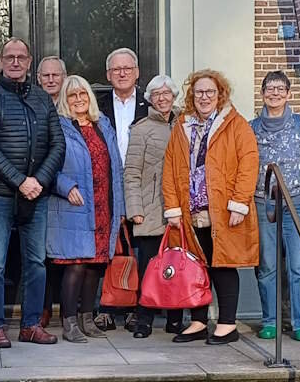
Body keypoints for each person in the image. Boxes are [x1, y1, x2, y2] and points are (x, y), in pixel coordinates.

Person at [0, 37, 66, 348]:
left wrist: (39, 180)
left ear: (29, 62)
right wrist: (19, 181)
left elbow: (58, 145)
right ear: (1, 61)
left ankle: (30, 325)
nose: (15, 62)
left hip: (36, 195)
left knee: (36, 262)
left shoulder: (42, 99)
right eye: (9, 57)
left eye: (21, 57)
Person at [163, 69, 259, 345]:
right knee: (195, 267)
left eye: (210, 92)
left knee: (223, 266)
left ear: (220, 94)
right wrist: (172, 207)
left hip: (222, 209)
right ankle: (198, 322)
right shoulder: (182, 126)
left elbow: (249, 164)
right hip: (190, 210)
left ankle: (227, 324)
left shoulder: (236, 125)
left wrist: (239, 203)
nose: (204, 97)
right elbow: (170, 167)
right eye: (199, 92)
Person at [47, 76, 125, 342]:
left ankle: (87, 319)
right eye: (72, 96)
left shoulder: (103, 124)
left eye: (83, 94)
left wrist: (120, 207)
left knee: (95, 264)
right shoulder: (58, 127)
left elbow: (116, 168)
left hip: (104, 205)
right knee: (77, 264)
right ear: (65, 100)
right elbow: (46, 165)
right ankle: (69, 323)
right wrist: (65, 186)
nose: (79, 99)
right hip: (75, 205)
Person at [250, 71, 300, 342]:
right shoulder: (251, 128)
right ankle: (270, 321)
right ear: (262, 93)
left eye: (280, 89)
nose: (275, 93)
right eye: (270, 88)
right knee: (267, 265)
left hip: (298, 204)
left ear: (289, 94)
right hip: (265, 204)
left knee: (299, 265)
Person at [123, 74, 183, 338]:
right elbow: (131, 173)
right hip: (151, 209)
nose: (162, 98)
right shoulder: (141, 129)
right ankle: (144, 320)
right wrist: (135, 208)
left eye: (166, 93)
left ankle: (175, 320)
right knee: (149, 268)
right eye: (156, 94)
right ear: (150, 99)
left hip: (180, 210)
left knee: (178, 265)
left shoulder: (185, 124)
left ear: (173, 96)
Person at [95, 47, 149, 332]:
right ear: (108, 75)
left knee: (138, 247)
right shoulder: (97, 106)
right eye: (116, 69)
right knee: (108, 245)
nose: (122, 73)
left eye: (127, 68)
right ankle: (105, 307)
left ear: (137, 72)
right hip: (108, 185)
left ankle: (134, 308)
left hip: (143, 186)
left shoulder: (150, 105)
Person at [36, 55, 68, 327]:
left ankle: (70, 309)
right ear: (38, 79)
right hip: (40, 187)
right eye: (45, 76)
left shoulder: (74, 104)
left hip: (71, 191)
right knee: (42, 254)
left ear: (64, 78)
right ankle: (43, 307)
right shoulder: (33, 104)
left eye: (55, 75)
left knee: (68, 253)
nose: (50, 80)